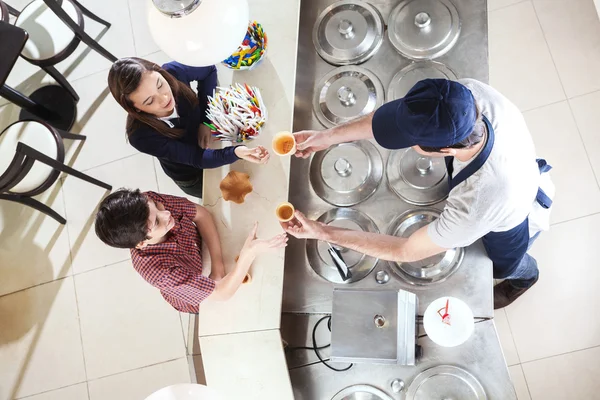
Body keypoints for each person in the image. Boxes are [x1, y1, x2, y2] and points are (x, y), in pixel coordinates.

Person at [283, 78, 555, 309]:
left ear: (446, 150)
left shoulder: (478, 201)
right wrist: (327, 137)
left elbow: (406, 250)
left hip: (512, 214)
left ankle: (525, 279)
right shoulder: (465, 95)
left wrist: (323, 232)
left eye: (411, 142)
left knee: (505, 264)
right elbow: (390, 119)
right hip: (515, 167)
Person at [95, 189, 287, 313]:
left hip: (203, 254)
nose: (166, 214)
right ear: (141, 244)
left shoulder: (151, 202)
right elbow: (221, 294)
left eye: (156, 207)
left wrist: (218, 268)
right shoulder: (158, 272)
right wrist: (249, 253)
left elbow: (201, 214)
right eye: (157, 222)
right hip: (196, 292)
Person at [108, 58, 269, 198]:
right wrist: (235, 152)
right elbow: (195, 158)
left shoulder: (172, 71)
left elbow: (209, 70)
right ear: (136, 109)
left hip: (209, 141)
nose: (164, 98)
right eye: (150, 101)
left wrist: (205, 121)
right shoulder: (140, 136)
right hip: (189, 172)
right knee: (219, 198)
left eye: (160, 84)